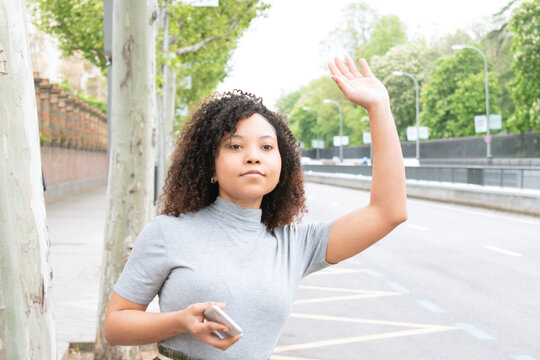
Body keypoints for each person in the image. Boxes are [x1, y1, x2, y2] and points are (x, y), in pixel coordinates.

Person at [103, 56, 407, 360]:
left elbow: (388, 212)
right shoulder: (168, 232)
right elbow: (115, 326)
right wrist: (179, 321)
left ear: (281, 165)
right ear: (210, 163)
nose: (253, 156)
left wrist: (378, 107)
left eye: (266, 147)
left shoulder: (295, 245)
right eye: (235, 146)